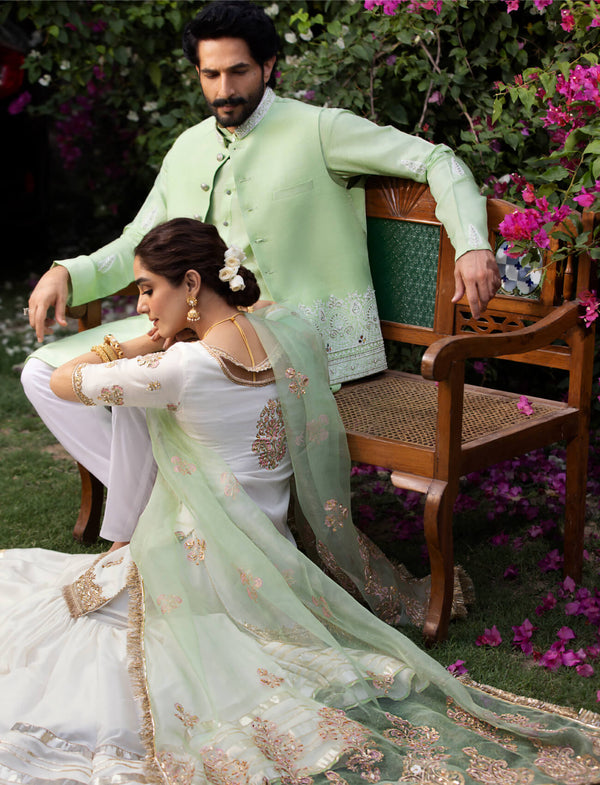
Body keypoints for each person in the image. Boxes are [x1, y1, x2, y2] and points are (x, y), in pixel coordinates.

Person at [1, 218, 599, 784]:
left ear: (192, 283)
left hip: (200, 562)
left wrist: (138, 343)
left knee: (74, 629)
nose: (141, 305)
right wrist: (174, 329)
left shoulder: (183, 366)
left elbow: (60, 380)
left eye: (147, 289)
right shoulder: (280, 330)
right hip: (271, 550)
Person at [21, 0, 502, 546]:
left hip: (290, 343)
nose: (224, 89)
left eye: (238, 71)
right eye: (210, 74)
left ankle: (153, 526)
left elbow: (437, 159)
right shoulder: (188, 148)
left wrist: (471, 244)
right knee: (39, 374)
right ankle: (169, 506)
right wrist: (68, 272)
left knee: (141, 379)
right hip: (201, 332)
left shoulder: (320, 129)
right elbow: (139, 239)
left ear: (269, 65)